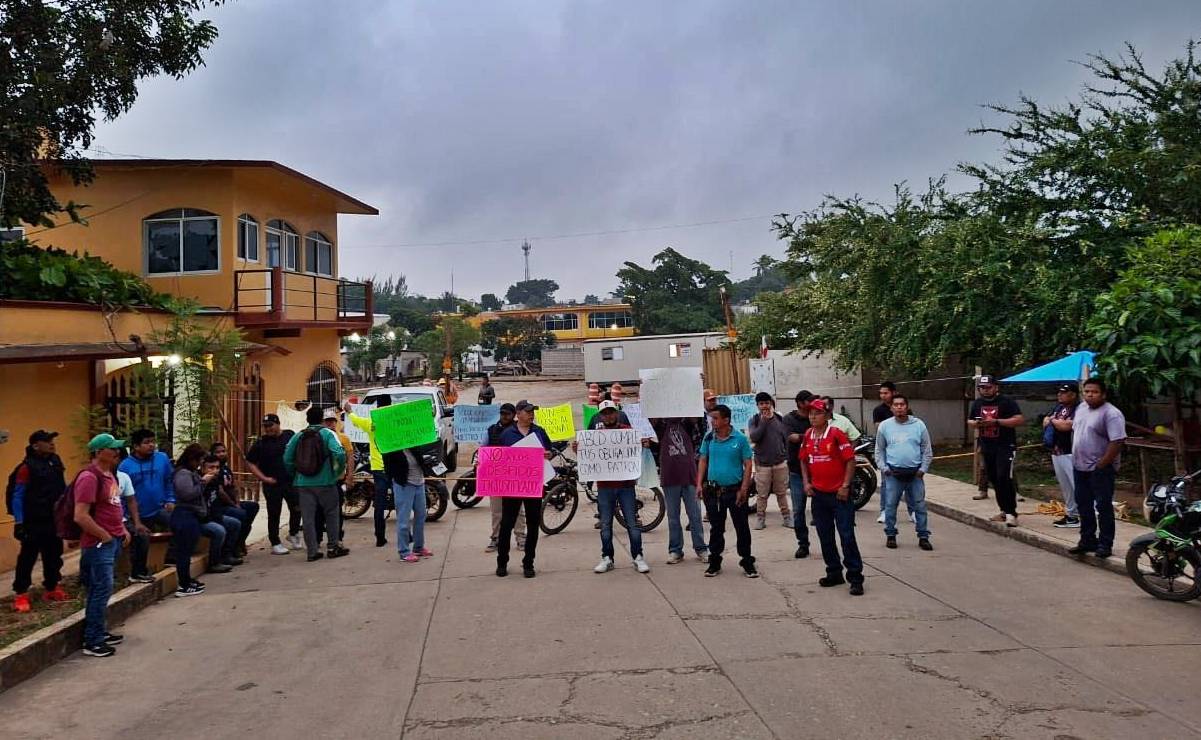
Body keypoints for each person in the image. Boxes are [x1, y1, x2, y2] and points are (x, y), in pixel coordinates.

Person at [73, 433, 132, 657]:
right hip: (99, 544)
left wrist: (122, 528)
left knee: (102, 589)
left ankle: (99, 631)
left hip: (112, 539)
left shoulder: (109, 475)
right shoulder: (89, 477)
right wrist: (104, 535)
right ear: (99, 452)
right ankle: (93, 640)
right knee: (100, 589)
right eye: (112, 448)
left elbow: (114, 505)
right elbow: (80, 515)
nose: (117, 452)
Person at [800, 399, 864, 596]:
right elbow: (803, 460)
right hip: (819, 495)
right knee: (824, 536)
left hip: (839, 495)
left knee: (846, 535)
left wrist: (845, 486)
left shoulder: (836, 434)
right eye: (810, 413)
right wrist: (806, 483)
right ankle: (834, 572)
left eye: (817, 413)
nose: (812, 416)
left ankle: (855, 577)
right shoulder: (808, 435)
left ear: (826, 415)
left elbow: (850, 460)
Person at [586, 401, 652, 574]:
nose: (608, 416)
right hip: (605, 487)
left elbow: (638, 450)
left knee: (632, 523)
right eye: (605, 413)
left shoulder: (628, 431)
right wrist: (580, 448)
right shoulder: (595, 435)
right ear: (600, 416)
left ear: (616, 414)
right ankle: (607, 558)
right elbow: (589, 455)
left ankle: (638, 557)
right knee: (606, 525)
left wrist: (643, 444)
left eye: (611, 412)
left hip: (626, 486)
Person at [7, 430, 68, 613]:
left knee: (54, 554)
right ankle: (21, 593)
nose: (52, 444)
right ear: (35, 445)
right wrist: (19, 522)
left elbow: (62, 488)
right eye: (47, 441)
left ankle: (51, 587)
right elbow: (18, 495)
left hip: (53, 518)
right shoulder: (26, 467)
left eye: (52, 441)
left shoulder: (55, 462)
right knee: (28, 557)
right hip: (33, 520)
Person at [696, 403, 757, 578]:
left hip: (735, 490)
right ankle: (715, 562)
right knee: (716, 527)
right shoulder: (709, 438)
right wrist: (699, 484)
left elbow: (748, 464)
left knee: (741, 526)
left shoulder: (739, 439)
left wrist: (744, 488)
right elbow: (703, 460)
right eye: (711, 418)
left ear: (726, 420)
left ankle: (747, 561)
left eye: (715, 418)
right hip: (713, 492)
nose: (712, 422)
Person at [1068, 378, 1127, 559]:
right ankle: (1087, 540)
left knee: (1103, 506)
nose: (1090, 395)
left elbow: (1117, 441)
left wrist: (1102, 464)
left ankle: (1105, 544)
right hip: (1080, 466)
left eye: (1094, 392)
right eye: (1086, 392)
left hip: (1100, 469)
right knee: (1083, 505)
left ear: (1103, 394)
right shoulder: (1081, 408)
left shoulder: (1111, 413)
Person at [284, 406, 348, 562]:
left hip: (304, 483)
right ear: (322, 419)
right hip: (326, 481)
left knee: (308, 518)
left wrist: (296, 473)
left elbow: (287, 458)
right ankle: (333, 547)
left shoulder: (298, 436)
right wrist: (337, 471)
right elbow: (339, 453)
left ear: (307, 420)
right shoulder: (327, 434)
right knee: (332, 514)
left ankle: (312, 551)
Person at [496, 400, 552, 578]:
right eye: (528, 411)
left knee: (533, 524)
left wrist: (547, 454)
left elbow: (549, 450)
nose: (531, 414)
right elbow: (498, 458)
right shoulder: (507, 434)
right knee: (506, 524)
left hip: (533, 485)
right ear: (518, 414)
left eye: (532, 412)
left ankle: (529, 562)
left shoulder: (539, 431)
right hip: (513, 487)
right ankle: (502, 562)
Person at [875, 394, 934, 551]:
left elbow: (926, 450)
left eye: (902, 404)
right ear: (891, 407)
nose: (899, 407)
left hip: (915, 474)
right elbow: (879, 450)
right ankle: (891, 535)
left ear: (907, 407)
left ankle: (923, 536)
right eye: (896, 405)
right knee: (890, 505)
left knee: (920, 506)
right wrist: (884, 468)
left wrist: (923, 469)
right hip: (893, 474)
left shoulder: (919, 425)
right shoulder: (885, 426)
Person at [967, 375, 1025, 526]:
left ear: (996, 387)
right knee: (994, 479)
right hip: (987, 446)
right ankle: (1004, 510)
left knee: (1004, 477)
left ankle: (1012, 512)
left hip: (1005, 446)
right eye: (982, 388)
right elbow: (970, 420)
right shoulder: (978, 403)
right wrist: (977, 424)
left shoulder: (1007, 402)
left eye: (988, 387)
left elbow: (1019, 419)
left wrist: (997, 421)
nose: (985, 391)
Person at [650, 415, 708, 564]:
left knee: (695, 515)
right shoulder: (661, 426)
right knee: (673, 517)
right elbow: (651, 430)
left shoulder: (688, 423)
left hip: (689, 477)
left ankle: (701, 548)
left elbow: (699, 426)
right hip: (670, 478)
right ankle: (675, 550)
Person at [119, 429, 176, 579]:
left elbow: (169, 481)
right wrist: (126, 517)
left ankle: (171, 557)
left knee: (179, 521)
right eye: (146, 442)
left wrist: (170, 499)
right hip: (136, 513)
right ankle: (137, 571)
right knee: (141, 538)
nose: (151, 445)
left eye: (152, 441)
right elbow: (122, 494)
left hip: (159, 508)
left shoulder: (162, 458)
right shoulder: (125, 466)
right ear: (136, 446)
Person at [246, 414, 300, 555]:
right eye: (265, 426)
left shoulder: (289, 435)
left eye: (270, 425)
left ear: (278, 424)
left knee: (297, 508)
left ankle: (293, 533)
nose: (268, 429)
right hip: (272, 484)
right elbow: (250, 462)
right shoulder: (260, 443)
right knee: (274, 513)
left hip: (290, 481)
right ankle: (275, 542)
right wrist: (263, 478)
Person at [170, 445, 217, 598]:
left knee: (188, 550)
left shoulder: (190, 473)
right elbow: (188, 493)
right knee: (183, 551)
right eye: (199, 460)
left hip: (192, 516)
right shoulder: (183, 474)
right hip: (185, 515)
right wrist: (203, 482)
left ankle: (188, 580)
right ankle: (183, 585)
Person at [347, 397, 394, 548]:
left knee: (379, 504)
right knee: (403, 502)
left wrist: (349, 410)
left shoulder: (371, 423)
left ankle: (380, 537)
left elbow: (355, 420)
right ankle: (409, 536)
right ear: (390, 405)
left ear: (378, 406)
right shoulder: (395, 421)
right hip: (394, 467)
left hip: (379, 469)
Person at [747, 391, 792, 530]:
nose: (764, 406)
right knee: (762, 494)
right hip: (763, 464)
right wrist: (764, 423)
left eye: (767, 403)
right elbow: (754, 437)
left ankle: (786, 517)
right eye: (761, 404)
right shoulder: (754, 420)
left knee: (781, 493)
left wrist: (785, 455)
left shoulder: (779, 418)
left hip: (780, 463)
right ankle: (761, 518)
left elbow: (785, 438)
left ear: (771, 403)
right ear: (757, 405)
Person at [210, 442, 260, 557]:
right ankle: (233, 547)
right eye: (218, 452)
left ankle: (240, 540)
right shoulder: (214, 470)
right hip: (221, 505)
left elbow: (233, 487)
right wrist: (233, 504)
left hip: (231, 503)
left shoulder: (226, 469)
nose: (221, 454)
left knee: (252, 507)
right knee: (241, 514)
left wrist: (237, 502)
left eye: (223, 451)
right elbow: (221, 492)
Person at [782, 391, 814, 558]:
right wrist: (811, 436)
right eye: (809, 401)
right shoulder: (789, 419)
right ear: (800, 403)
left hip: (817, 469)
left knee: (820, 511)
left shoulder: (815, 415)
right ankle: (803, 544)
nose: (812, 403)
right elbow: (792, 438)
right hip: (796, 470)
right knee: (798, 510)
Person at [485, 403, 520, 552]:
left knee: (518, 511)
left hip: (516, 477)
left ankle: (521, 538)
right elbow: (483, 449)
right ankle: (496, 538)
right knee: (496, 510)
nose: (504, 416)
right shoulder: (492, 430)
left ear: (514, 415)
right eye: (502, 414)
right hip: (496, 477)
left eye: (507, 414)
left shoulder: (519, 430)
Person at [1045, 383, 1080, 528]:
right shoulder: (1058, 407)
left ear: (1073, 394)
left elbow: (1066, 426)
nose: (1060, 395)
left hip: (1071, 451)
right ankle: (1072, 514)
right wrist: (1056, 422)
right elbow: (1045, 421)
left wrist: (1054, 421)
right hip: (1056, 450)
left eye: (1064, 392)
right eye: (1059, 392)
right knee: (1066, 486)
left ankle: (1087, 513)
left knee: (1077, 484)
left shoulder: (1079, 408)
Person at [199, 454, 244, 569]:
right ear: (203, 468)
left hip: (215, 515)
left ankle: (227, 555)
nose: (215, 471)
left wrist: (235, 504)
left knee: (235, 523)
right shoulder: (198, 481)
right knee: (219, 531)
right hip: (201, 519)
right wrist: (203, 483)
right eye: (211, 468)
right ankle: (214, 563)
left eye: (217, 467)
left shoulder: (215, 481)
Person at [320, 408, 354, 543]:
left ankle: (337, 537)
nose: (330, 424)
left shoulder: (343, 438)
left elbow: (350, 458)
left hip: (337, 480)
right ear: (322, 422)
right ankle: (319, 537)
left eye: (332, 421)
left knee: (336, 511)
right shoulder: (319, 437)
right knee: (320, 511)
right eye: (327, 421)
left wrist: (350, 476)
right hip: (322, 481)